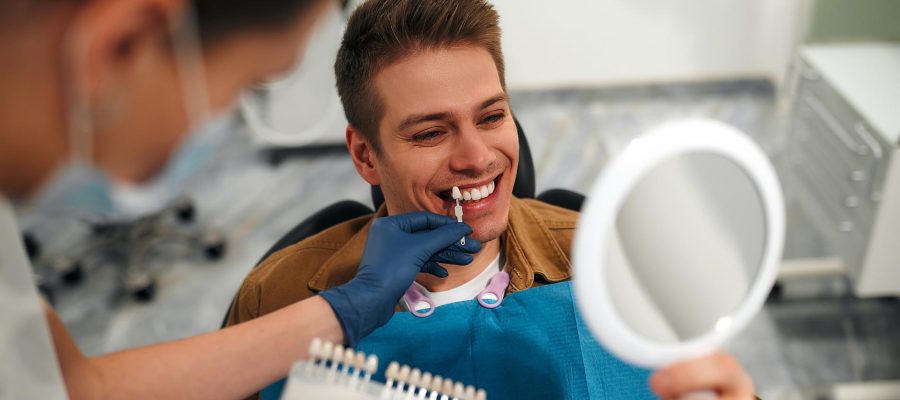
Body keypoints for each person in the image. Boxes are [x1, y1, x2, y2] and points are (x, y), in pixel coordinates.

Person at [225, 0, 757, 398]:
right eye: (431, 133)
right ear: (365, 155)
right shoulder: (279, 296)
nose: (477, 158)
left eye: (491, 116)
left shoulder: (622, 266)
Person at [0, 0, 478, 398]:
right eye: (247, 84)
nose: (475, 158)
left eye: (492, 116)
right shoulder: (273, 288)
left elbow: (70, 386)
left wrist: (346, 310)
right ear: (118, 48)